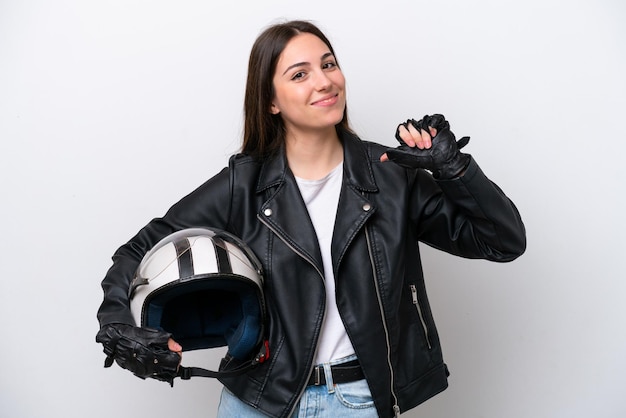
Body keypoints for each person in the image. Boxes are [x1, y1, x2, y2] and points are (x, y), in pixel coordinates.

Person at [96, 19, 526, 418]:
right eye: (300, 74)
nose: (324, 81)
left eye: (329, 64)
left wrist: (453, 168)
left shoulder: (394, 177)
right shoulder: (241, 185)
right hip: (258, 399)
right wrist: (116, 321)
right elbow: (138, 250)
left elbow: (503, 242)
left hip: (357, 400)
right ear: (271, 102)